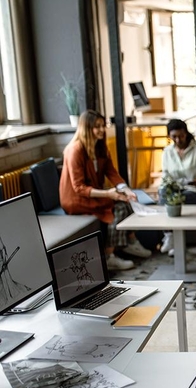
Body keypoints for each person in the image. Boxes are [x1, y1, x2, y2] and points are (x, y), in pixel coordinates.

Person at [59, 109, 152, 271]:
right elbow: (78, 188)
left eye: (103, 125)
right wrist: (109, 194)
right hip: (76, 199)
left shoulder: (100, 147)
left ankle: (129, 241)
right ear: (86, 128)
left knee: (126, 201)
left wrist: (125, 189)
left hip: (93, 193)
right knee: (116, 208)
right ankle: (109, 256)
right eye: (97, 127)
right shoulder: (74, 151)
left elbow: (111, 172)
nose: (102, 130)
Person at [158, 119, 196, 254]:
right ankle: (170, 237)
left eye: (181, 136)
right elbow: (165, 176)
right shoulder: (167, 152)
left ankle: (172, 240)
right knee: (164, 193)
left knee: (176, 200)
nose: (178, 140)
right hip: (175, 189)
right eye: (174, 137)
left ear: (186, 134)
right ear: (169, 136)